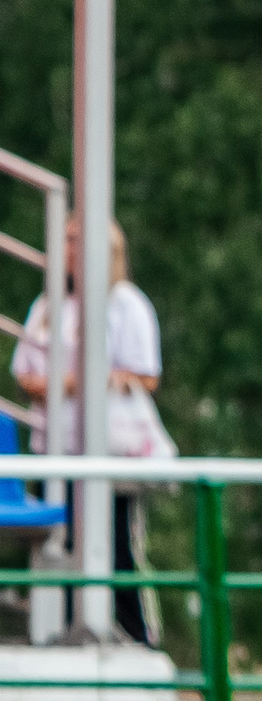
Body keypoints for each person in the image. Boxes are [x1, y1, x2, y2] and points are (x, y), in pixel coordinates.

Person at [11, 216, 172, 645]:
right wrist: (70, 382)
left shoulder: (125, 303)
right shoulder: (49, 305)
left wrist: (70, 382)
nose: (66, 247)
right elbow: (25, 373)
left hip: (108, 451)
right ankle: (59, 631)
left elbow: (144, 374)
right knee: (58, 545)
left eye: (75, 239)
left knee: (117, 544)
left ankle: (138, 636)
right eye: (63, 239)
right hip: (54, 446)